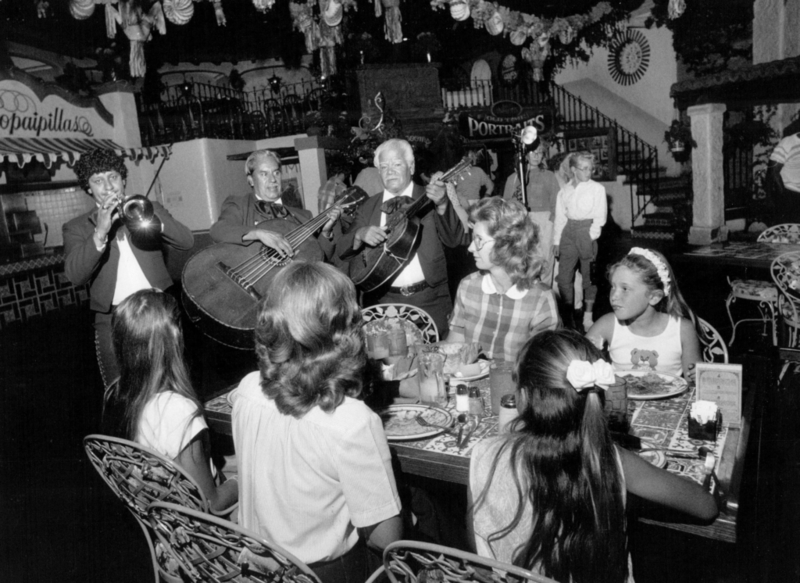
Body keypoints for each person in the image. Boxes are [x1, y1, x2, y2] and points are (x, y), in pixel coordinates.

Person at [469, 329, 718, 583]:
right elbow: (706, 507)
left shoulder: (482, 453)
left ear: (522, 397)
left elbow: (477, 546)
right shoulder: (610, 457)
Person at [230, 262, 402, 583]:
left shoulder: (247, 389)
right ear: (343, 329)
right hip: (322, 574)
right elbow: (385, 539)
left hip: (254, 567)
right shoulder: (352, 420)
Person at [64, 149, 194, 387]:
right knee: (120, 393)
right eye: (98, 180)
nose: (108, 186)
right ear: (88, 188)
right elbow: (75, 275)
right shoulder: (76, 227)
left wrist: (148, 216)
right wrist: (100, 232)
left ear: (123, 180)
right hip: (111, 318)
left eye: (113, 177)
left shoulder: (149, 207)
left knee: (169, 385)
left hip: (158, 312)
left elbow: (186, 241)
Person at [101, 289, 238, 513]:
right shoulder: (176, 409)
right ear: (175, 339)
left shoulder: (114, 394)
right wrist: (243, 481)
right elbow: (210, 504)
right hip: (203, 536)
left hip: (160, 520)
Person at [337, 138, 466, 336]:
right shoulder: (368, 206)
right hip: (383, 303)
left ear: (411, 167)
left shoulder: (432, 197)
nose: (390, 171)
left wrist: (442, 205)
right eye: (384, 166)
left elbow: (455, 240)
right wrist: (359, 234)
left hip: (429, 301)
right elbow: (341, 250)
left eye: (397, 164)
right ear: (378, 171)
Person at [447, 197, 559, 362]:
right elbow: (454, 347)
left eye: (479, 240)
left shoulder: (540, 299)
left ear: (505, 245)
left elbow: (542, 366)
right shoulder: (468, 286)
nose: (470, 248)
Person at [585, 247, 702, 379]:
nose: (614, 296)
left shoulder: (682, 330)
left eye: (625, 289)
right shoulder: (607, 325)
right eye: (613, 286)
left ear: (654, 297)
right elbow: (577, 362)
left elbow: (695, 382)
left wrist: (696, 377)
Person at [209, 149, 341, 260]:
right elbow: (218, 230)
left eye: (276, 173)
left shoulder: (303, 216)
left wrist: (326, 232)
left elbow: (319, 258)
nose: (272, 180)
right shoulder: (239, 205)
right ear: (251, 180)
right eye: (264, 174)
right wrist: (258, 234)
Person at [553, 151, 607, 332]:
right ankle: (568, 317)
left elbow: (600, 216)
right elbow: (561, 218)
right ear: (574, 170)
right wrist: (556, 241)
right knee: (563, 279)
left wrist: (591, 235)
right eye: (584, 169)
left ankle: (588, 316)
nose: (588, 172)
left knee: (589, 277)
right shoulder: (564, 191)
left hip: (586, 232)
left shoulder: (597, 189)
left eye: (591, 169)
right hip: (568, 232)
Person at [503, 144, 560, 286]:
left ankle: (545, 293)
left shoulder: (549, 176)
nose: (536, 155)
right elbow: (506, 206)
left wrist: (554, 230)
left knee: (545, 262)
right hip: (521, 222)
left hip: (545, 223)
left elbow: (557, 205)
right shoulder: (514, 178)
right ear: (524, 154)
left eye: (540, 152)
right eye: (532, 152)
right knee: (523, 262)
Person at [767, 125, 800, 224]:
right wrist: (784, 196)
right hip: (791, 195)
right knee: (791, 232)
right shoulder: (788, 143)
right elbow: (773, 172)